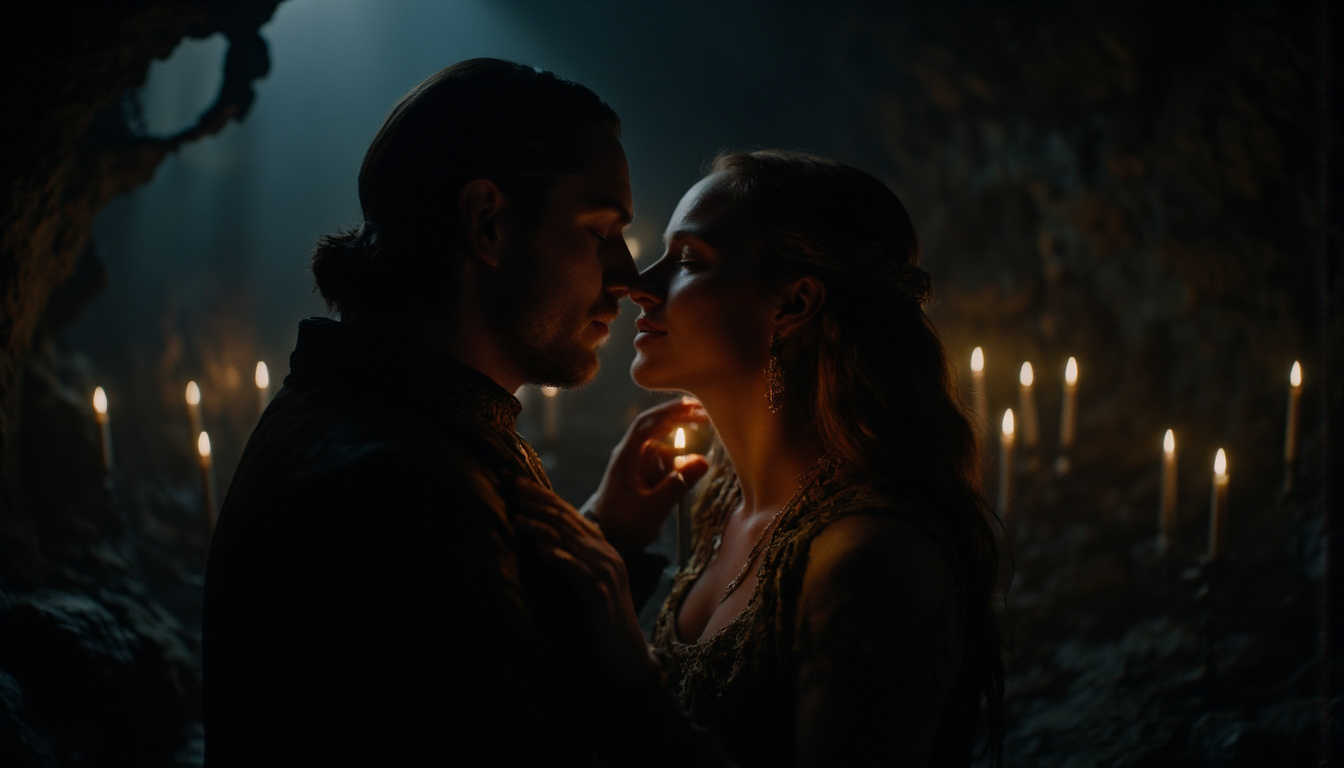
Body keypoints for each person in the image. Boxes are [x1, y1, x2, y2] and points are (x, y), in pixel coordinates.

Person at [202, 58, 713, 766]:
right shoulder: (396, 489)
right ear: (487, 223)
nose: (626, 277)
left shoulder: (386, 411)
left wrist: (606, 536)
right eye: (599, 232)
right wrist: (636, 682)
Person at [514, 150, 1006, 767]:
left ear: (794, 303)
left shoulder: (871, 558)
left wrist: (630, 666)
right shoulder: (720, 503)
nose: (639, 285)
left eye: (689, 261)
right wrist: (610, 536)